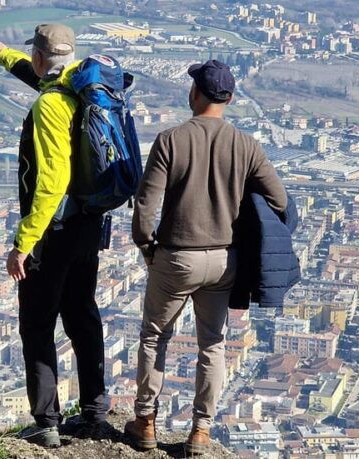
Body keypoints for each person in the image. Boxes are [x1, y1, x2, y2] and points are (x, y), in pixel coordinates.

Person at [125, 60, 288, 454]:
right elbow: (279, 200)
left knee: (154, 337)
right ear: (229, 98)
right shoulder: (247, 145)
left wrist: (148, 247)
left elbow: (146, 206)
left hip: (177, 256)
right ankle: (200, 432)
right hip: (223, 260)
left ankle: (146, 422)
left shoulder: (171, 139)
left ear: (194, 93)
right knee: (212, 344)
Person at [0, 24, 108, 448]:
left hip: (53, 231)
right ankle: (94, 409)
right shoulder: (78, 86)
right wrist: (3, 55)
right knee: (82, 315)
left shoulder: (50, 107)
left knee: (36, 323)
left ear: (39, 57)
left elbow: (52, 180)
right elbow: (41, 74)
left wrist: (24, 242)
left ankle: (46, 421)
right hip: (87, 225)